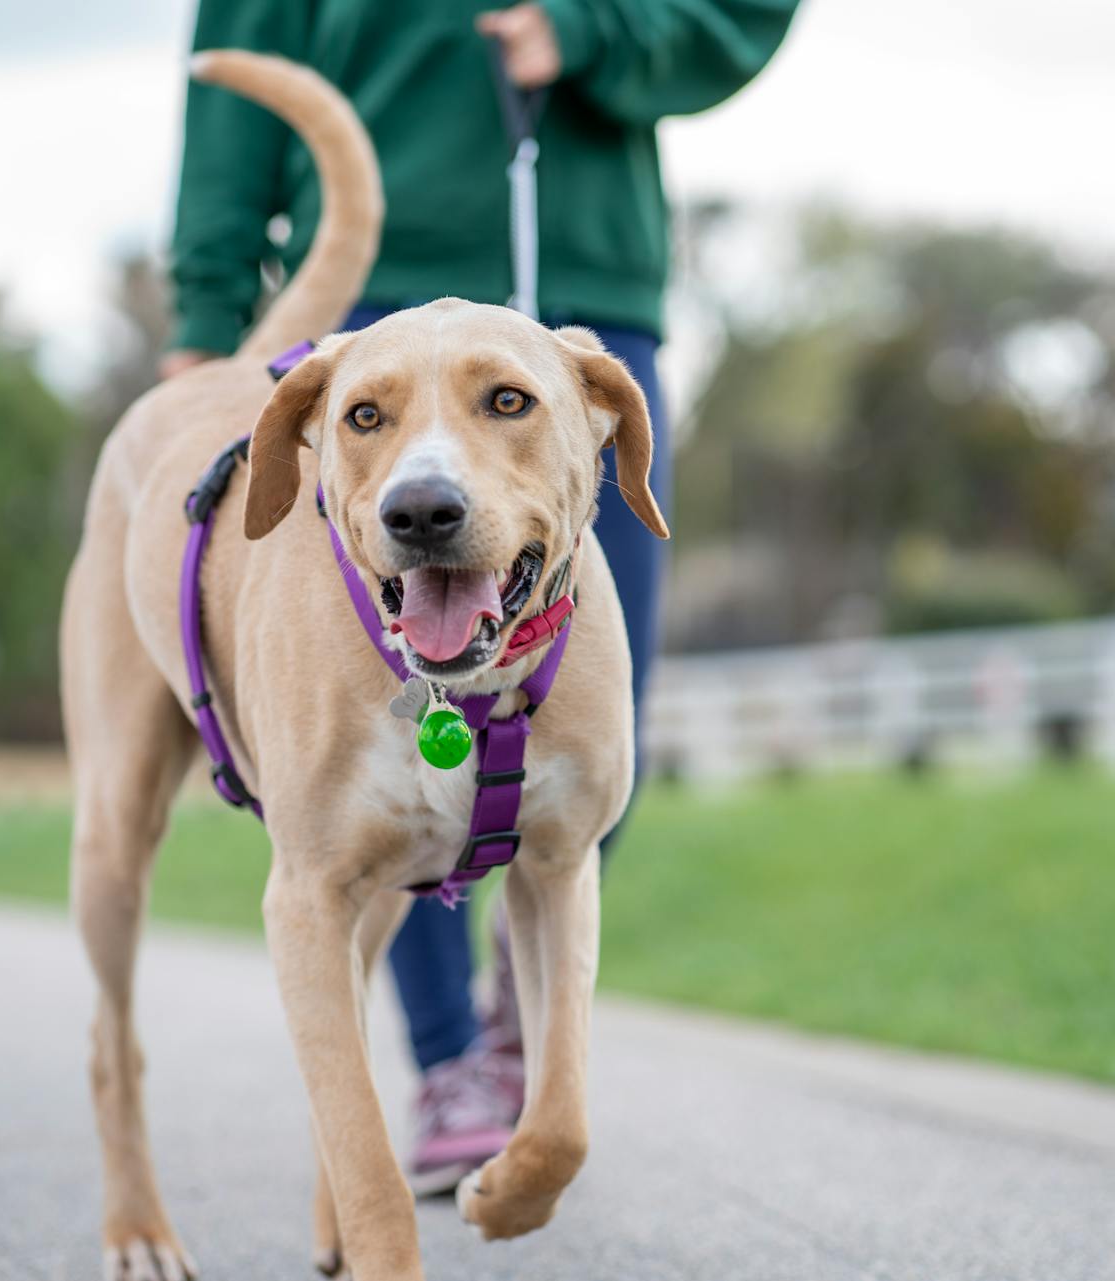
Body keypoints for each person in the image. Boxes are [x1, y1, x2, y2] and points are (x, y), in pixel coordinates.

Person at [163, 0, 797, 1195]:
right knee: (380, 747)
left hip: (580, 291)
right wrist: (206, 325)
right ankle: (452, 1058)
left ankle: (526, 1014)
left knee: (593, 721)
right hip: (362, 311)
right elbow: (230, 99)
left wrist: (599, 33)